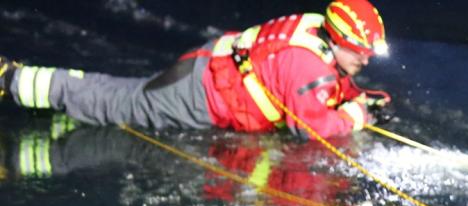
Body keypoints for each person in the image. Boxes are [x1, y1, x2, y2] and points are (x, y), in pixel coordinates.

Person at [0, 0, 391, 139]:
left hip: (211, 66)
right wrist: (354, 116)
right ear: (337, 39)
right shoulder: (308, 65)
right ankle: (13, 80)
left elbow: (326, 80)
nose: (365, 60)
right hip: (200, 93)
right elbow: (311, 130)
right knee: (120, 102)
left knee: (126, 96)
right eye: (360, 52)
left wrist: (361, 97)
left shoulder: (314, 30)